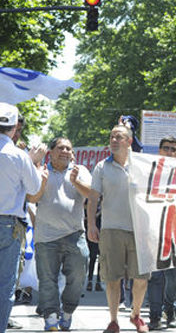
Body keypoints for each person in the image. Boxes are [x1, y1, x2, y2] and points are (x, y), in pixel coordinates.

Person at [87, 125, 150, 333]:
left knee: (141, 278)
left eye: (119, 137)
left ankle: (136, 314)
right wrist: (91, 225)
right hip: (111, 229)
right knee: (113, 278)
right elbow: (93, 198)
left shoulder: (142, 165)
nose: (114, 140)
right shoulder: (101, 168)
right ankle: (113, 321)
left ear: (129, 142)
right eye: (112, 136)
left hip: (140, 230)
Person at [26, 137, 92, 331]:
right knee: (47, 280)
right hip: (46, 237)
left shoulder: (81, 171)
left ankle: (68, 311)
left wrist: (76, 181)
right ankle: (51, 319)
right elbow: (32, 198)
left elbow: (91, 194)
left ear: (73, 153)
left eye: (68, 149)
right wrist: (43, 182)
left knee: (79, 277)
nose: (65, 151)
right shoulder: (41, 171)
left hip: (75, 234)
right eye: (60, 148)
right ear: (51, 152)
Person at [0, 103, 44, 331]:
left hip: (10, 223)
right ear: (14, 126)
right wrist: (32, 160)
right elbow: (35, 189)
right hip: (8, 224)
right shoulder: (18, 156)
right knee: (5, 285)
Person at [145, 136, 176, 330]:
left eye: (173, 149)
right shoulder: (149, 169)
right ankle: (155, 316)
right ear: (159, 150)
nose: (169, 152)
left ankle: (171, 309)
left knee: (174, 277)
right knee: (156, 277)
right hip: (153, 230)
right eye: (166, 148)